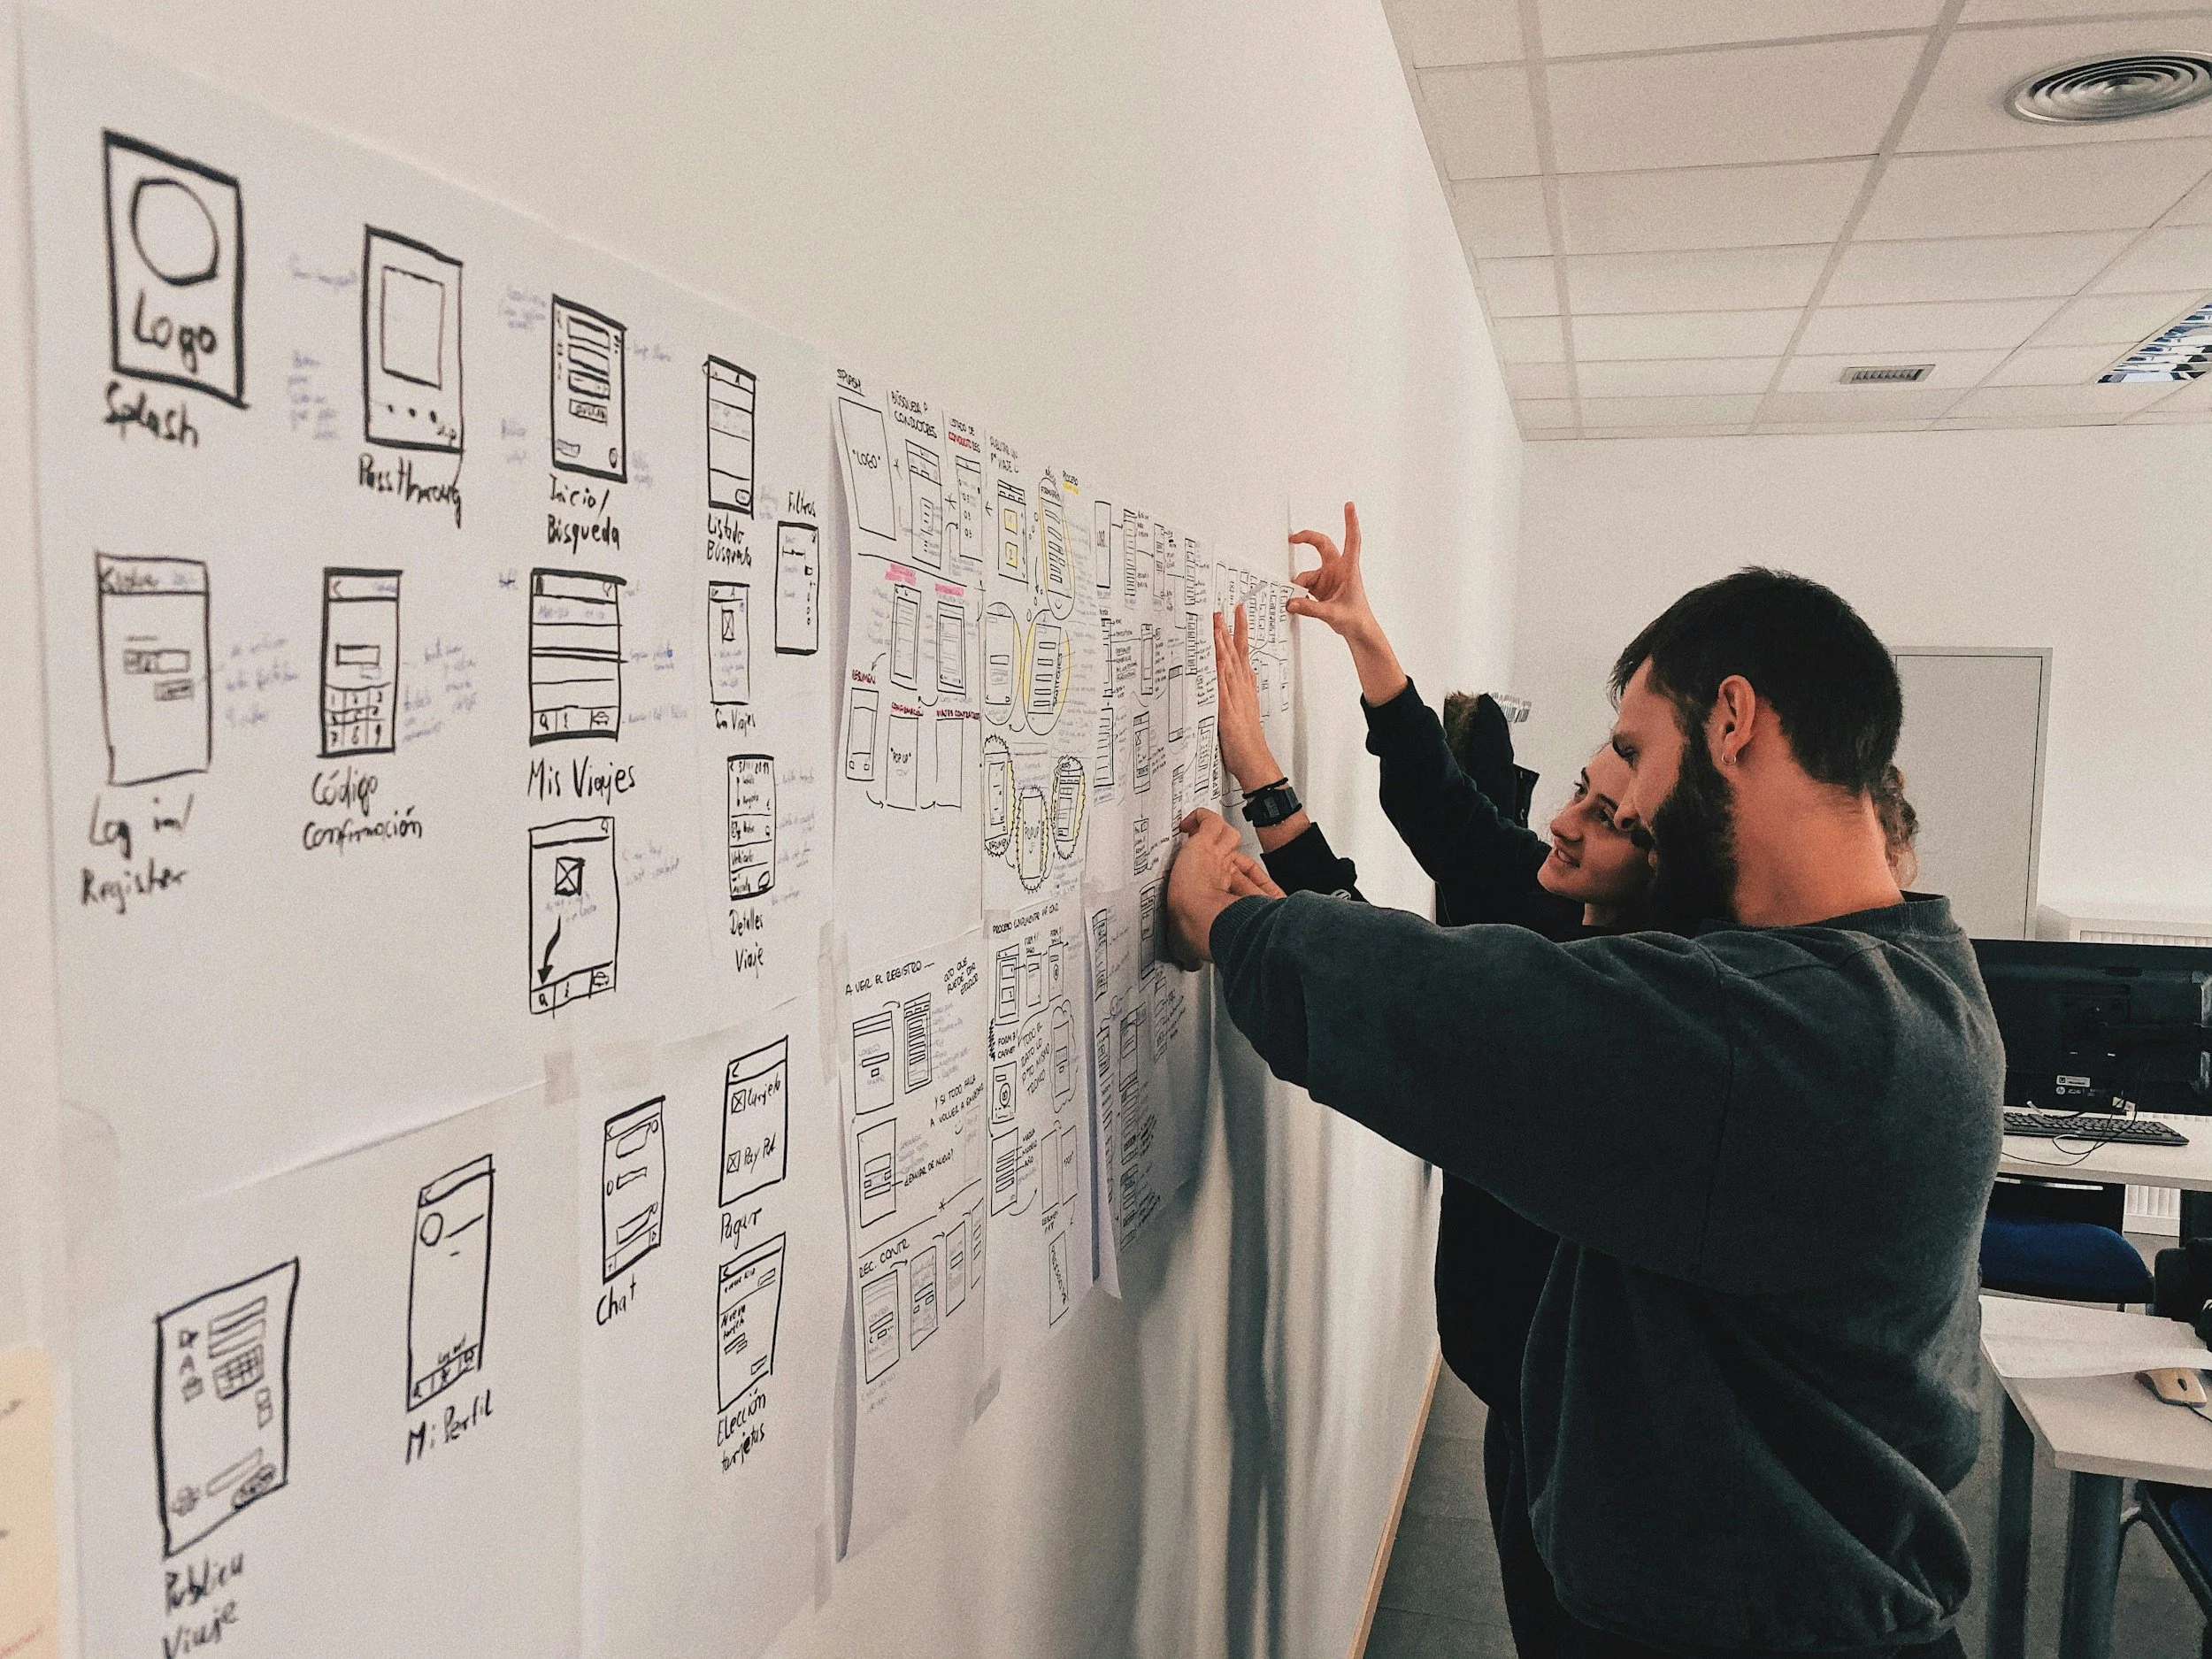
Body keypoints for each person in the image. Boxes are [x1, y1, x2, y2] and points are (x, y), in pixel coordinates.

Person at [1170, 558, 2000, 1658]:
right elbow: (1469, 906)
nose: (1614, 807)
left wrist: (1232, 929)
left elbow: (1463, 1014)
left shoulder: (1795, 1036)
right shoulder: (1903, 976)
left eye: (1637, 752)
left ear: (1733, 722)